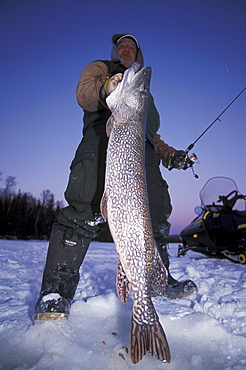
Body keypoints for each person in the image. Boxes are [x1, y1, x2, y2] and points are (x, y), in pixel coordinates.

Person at [34, 33, 197, 321]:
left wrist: (172, 155)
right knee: (83, 207)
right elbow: (84, 93)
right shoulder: (102, 69)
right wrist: (107, 86)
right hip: (103, 138)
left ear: (137, 53)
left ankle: (157, 280)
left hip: (142, 153)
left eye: (131, 47)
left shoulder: (144, 95)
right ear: (115, 52)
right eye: (121, 46)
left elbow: (151, 135)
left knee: (156, 216)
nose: (125, 49)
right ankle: (56, 292)